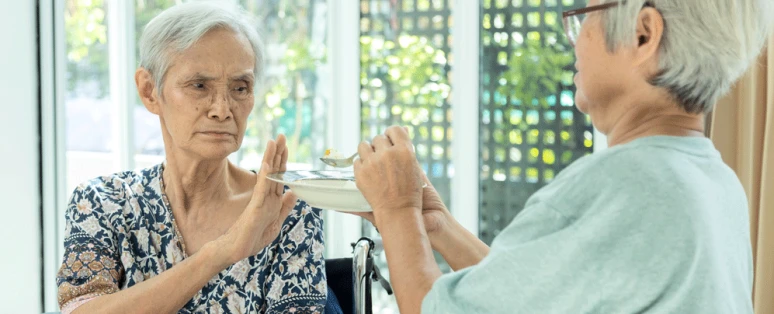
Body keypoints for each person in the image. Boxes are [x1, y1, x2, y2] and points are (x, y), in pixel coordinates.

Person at [353, 0, 773, 313]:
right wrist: (437, 225)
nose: (574, 38)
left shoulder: (626, 182)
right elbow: (528, 295)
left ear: (644, 34)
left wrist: (397, 207)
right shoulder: (715, 183)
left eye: (584, 15)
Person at [56, 2, 340, 313]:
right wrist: (220, 253)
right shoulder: (101, 203)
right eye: (199, 86)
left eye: (240, 87)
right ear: (150, 91)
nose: (222, 109)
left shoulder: (285, 211)